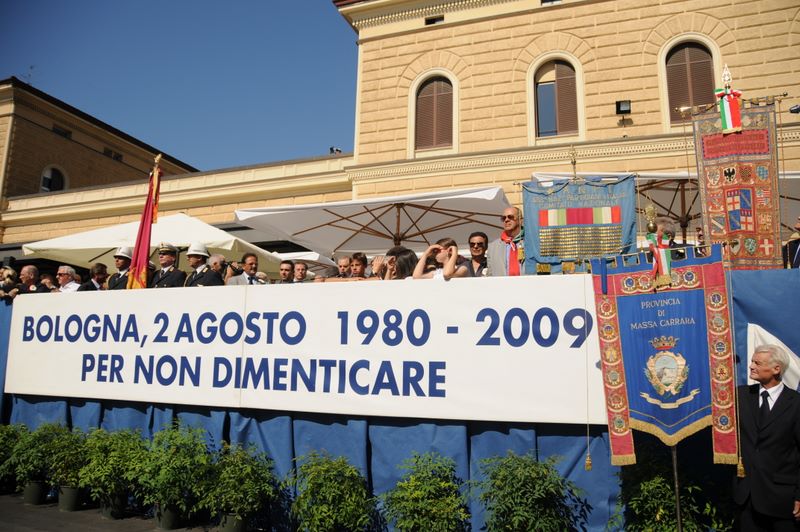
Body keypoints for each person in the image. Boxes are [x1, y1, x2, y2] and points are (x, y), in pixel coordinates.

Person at [734, 344, 800, 530]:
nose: (751, 366)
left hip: (782, 501)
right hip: (746, 498)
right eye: (752, 362)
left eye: (757, 363)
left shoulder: (796, 404)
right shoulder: (740, 396)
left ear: (776, 369)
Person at [488, 206, 525, 276]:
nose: (506, 220)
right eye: (503, 218)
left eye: (510, 217)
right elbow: (490, 274)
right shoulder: (493, 247)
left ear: (520, 220)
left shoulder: (531, 242)